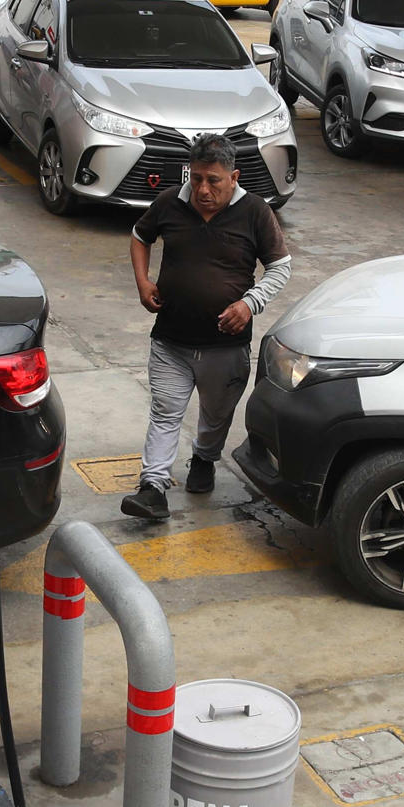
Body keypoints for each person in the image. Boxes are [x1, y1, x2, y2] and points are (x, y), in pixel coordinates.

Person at [123, 136, 292, 522]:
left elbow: (281, 266)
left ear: (233, 176)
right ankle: (152, 488)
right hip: (171, 340)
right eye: (196, 178)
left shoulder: (255, 212)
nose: (202, 189)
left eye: (213, 180)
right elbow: (139, 236)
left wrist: (249, 304)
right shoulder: (170, 202)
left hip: (226, 348)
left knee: (216, 416)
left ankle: (204, 457)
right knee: (165, 412)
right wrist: (142, 282)